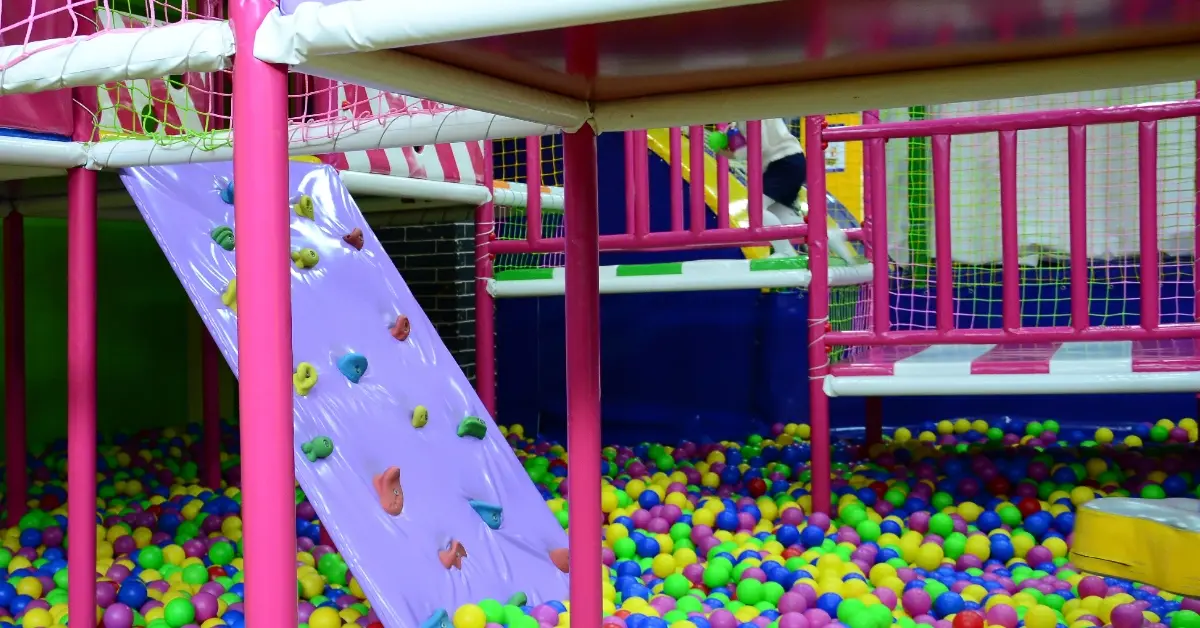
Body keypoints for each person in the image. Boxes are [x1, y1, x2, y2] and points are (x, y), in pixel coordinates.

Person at [716, 119, 858, 263]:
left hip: (782, 162)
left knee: (755, 209)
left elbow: (758, 145)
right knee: (778, 214)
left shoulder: (748, 114)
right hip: (790, 161)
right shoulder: (747, 113)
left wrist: (731, 153)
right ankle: (828, 235)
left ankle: (786, 252)